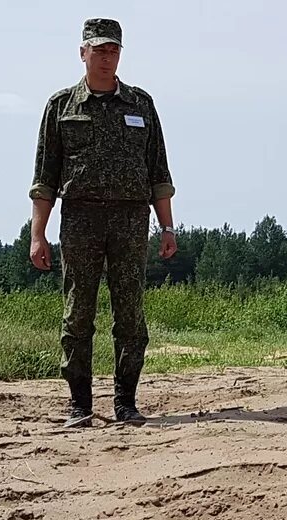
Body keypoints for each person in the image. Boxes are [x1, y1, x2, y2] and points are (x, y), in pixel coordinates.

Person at [28, 18, 177, 427]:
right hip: (80, 218)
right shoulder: (61, 106)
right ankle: (79, 404)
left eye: (113, 49)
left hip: (131, 218)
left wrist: (167, 227)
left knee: (130, 313)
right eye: (99, 49)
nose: (106, 56)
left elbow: (158, 173)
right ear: (83, 52)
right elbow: (44, 178)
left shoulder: (141, 104)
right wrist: (37, 235)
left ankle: (125, 403)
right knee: (78, 312)